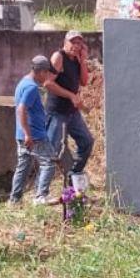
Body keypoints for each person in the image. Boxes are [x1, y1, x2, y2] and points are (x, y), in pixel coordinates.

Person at [46, 31, 96, 187]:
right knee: (52, 151)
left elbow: (84, 81)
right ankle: (41, 191)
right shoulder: (58, 57)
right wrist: (70, 95)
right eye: (72, 42)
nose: (76, 46)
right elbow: (47, 83)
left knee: (87, 141)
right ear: (65, 42)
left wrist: (83, 61)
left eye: (79, 43)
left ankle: (73, 176)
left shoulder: (76, 60)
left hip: (72, 112)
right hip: (57, 112)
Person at [10, 55, 60, 205]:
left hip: (22, 133)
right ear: (41, 71)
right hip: (34, 134)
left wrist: (23, 132)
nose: (47, 76)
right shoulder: (31, 88)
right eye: (47, 73)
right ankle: (40, 196)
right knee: (49, 163)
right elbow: (21, 110)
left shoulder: (22, 83)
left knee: (23, 166)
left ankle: (15, 199)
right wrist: (28, 134)